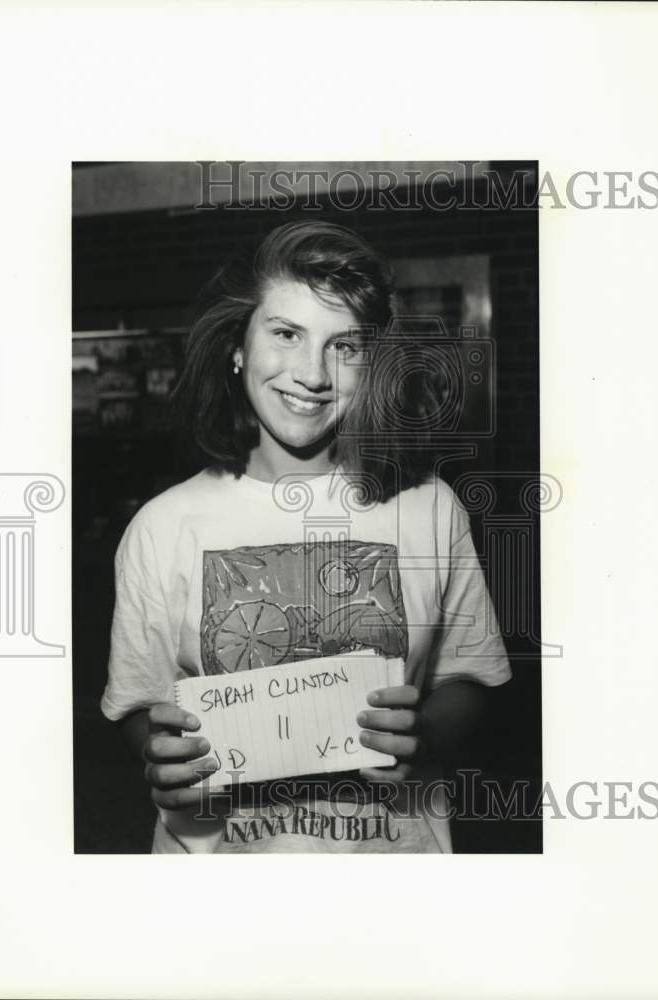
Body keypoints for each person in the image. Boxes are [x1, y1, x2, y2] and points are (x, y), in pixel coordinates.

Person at [101, 220, 511, 853]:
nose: (313, 373)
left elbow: (471, 677)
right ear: (238, 346)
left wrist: (422, 733)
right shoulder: (162, 525)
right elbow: (136, 700)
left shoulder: (430, 508)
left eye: (344, 345)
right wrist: (162, 757)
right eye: (286, 334)